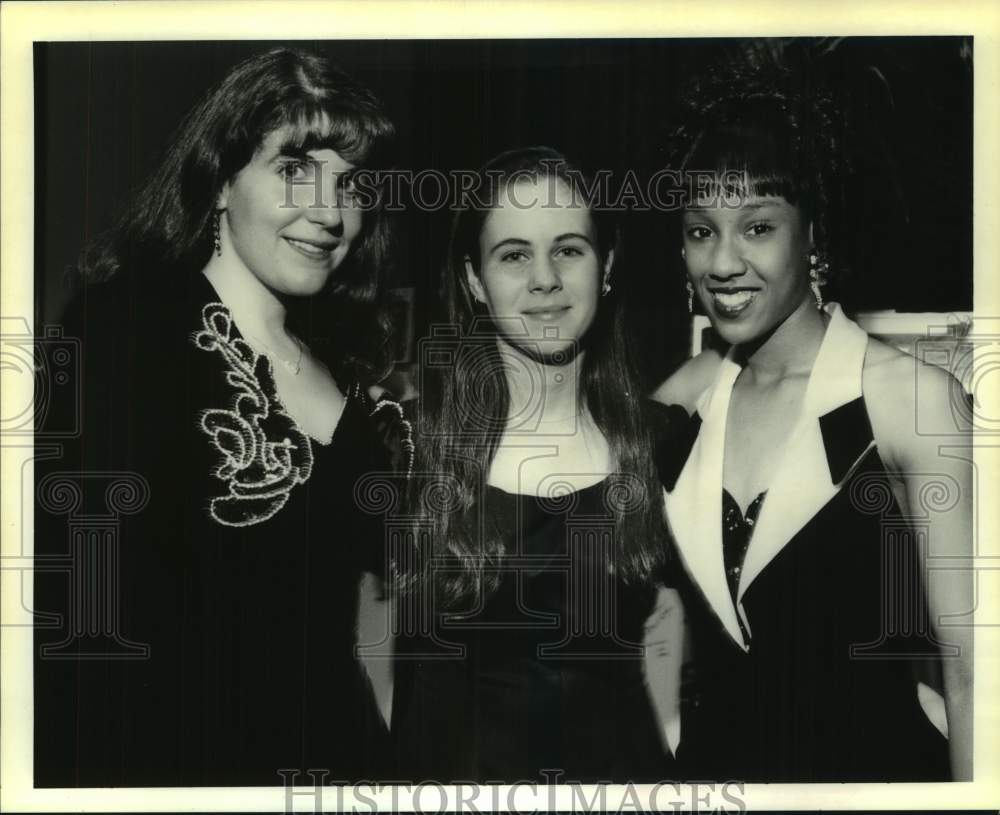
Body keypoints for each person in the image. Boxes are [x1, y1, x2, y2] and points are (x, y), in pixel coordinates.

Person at [34, 47, 409, 786]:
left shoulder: (353, 379)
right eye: (294, 167)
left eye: (350, 182)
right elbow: (79, 617)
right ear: (220, 181)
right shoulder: (124, 331)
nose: (329, 212)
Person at [650, 57, 973, 781]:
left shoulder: (910, 401)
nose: (724, 262)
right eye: (701, 231)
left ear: (812, 234)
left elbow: (972, 671)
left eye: (757, 227)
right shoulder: (680, 402)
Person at [389, 147, 677, 783]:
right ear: (473, 280)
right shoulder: (406, 447)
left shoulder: (663, 446)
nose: (544, 278)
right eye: (514, 254)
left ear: (606, 268)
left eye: (568, 249)